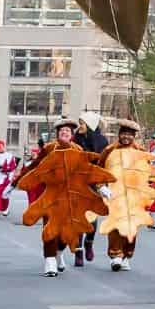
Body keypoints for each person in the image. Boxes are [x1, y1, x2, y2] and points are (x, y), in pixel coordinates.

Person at [18, 115, 114, 277]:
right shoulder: (49, 148)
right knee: (49, 228)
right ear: (57, 133)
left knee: (66, 232)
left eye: (68, 130)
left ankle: (59, 252)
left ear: (72, 134)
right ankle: (49, 261)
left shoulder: (77, 149)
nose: (65, 133)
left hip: (71, 197)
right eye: (62, 130)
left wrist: (101, 186)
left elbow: (87, 170)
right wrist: (15, 181)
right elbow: (34, 167)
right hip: (51, 196)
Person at [97, 118, 149, 272]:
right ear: (119, 134)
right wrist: (101, 187)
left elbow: (148, 173)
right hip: (115, 194)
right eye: (123, 133)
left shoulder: (140, 151)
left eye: (130, 134)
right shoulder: (109, 150)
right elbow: (99, 170)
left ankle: (127, 254)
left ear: (134, 136)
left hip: (134, 196)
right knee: (115, 225)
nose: (126, 137)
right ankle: (116, 255)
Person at [71, 111, 108, 264]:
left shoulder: (102, 142)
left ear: (90, 125)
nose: (79, 126)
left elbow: (105, 163)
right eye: (79, 123)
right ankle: (78, 251)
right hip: (77, 182)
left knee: (91, 217)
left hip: (94, 183)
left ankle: (89, 243)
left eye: (82, 123)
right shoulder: (75, 140)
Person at [0, 140, 15, 218]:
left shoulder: (9, 156)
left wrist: (5, 170)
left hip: (6, 178)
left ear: (3, 147)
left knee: (3, 194)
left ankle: (3, 208)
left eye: (0, 147)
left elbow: (12, 167)